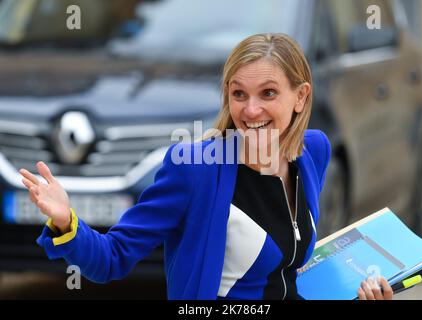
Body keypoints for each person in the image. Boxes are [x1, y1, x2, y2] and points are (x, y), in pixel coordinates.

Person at [19, 33, 393, 300]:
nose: (250, 110)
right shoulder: (194, 169)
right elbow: (111, 259)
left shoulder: (313, 151)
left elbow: (291, 273)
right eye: (238, 94)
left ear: (301, 97)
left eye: (268, 93)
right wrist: (67, 222)